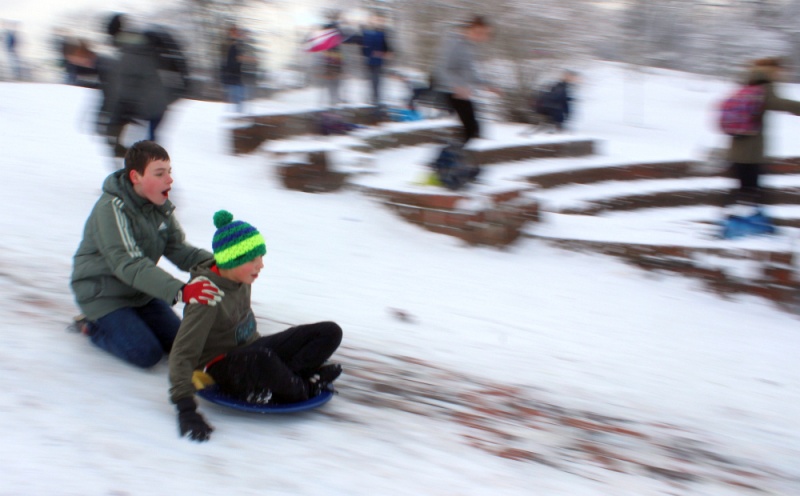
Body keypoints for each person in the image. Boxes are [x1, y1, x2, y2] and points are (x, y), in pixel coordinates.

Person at [168, 210, 343, 442]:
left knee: (330, 332)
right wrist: (186, 409)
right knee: (263, 357)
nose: (260, 265)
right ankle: (304, 387)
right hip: (219, 367)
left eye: (261, 257)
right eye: (253, 259)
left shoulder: (239, 279)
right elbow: (181, 354)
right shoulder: (207, 297)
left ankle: (289, 376)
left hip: (252, 350)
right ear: (232, 260)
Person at [71, 141, 222, 368]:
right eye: (159, 173)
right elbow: (129, 263)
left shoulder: (159, 206)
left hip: (139, 291)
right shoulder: (111, 209)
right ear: (136, 177)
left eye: (169, 172)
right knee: (145, 353)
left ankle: (133, 320)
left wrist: (220, 263)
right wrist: (182, 291)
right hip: (102, 294)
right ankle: (91, 325)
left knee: (179, 343)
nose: (169, 179)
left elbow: (178, 248)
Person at [98, 13, 189, 157]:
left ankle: (149, 172)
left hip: (147, 106)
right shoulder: (144, 42)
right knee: (149, 146)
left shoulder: (132, 51)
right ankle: (151, 171)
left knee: (146, 149)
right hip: (156, 103)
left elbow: (126, 87)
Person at [726, 57, 800, 205]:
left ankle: (744, 220)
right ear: (774, 70)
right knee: (751, 194)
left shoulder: (748, 83)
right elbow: (776, 103)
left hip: (738, 146)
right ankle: (746, 223)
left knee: (746, 192)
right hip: (752, 150)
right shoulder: (764, 85)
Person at [433, 16, 497, 145]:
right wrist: (456, 86)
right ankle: (447, 160)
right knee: (471, 128)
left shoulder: (469, 47)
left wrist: (486, 85)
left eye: (485, 34)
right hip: (449, 91)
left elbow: (470, 73)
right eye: (479, 32)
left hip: (461, 92)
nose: (482, 36)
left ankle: (451, 158)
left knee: (472, 129)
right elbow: (443, 68)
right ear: (468, 29)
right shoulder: (455, 43)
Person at [220, 25, 257, 114]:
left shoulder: (238, 45)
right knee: (236, 99)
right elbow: (236, 58)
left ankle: (239, 116)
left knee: (241, 98)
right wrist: (249, 59)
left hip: (238, 76)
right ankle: (235, 117)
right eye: (235, 33)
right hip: (231, 76)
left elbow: (239, 58)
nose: (237, 34)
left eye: (237, 33)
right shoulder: (230, 45)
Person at [360, 14, 392, 107]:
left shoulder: (382, 32)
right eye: (378, 20)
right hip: (370, 60)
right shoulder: (367, 32)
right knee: (373, 80)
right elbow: (364, 48)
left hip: (379, 60)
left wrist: (387, 53)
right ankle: (374, 98)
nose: (379, 22)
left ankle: (376, 98)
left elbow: (386, 46)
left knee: (377, 80)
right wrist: (368, 54)